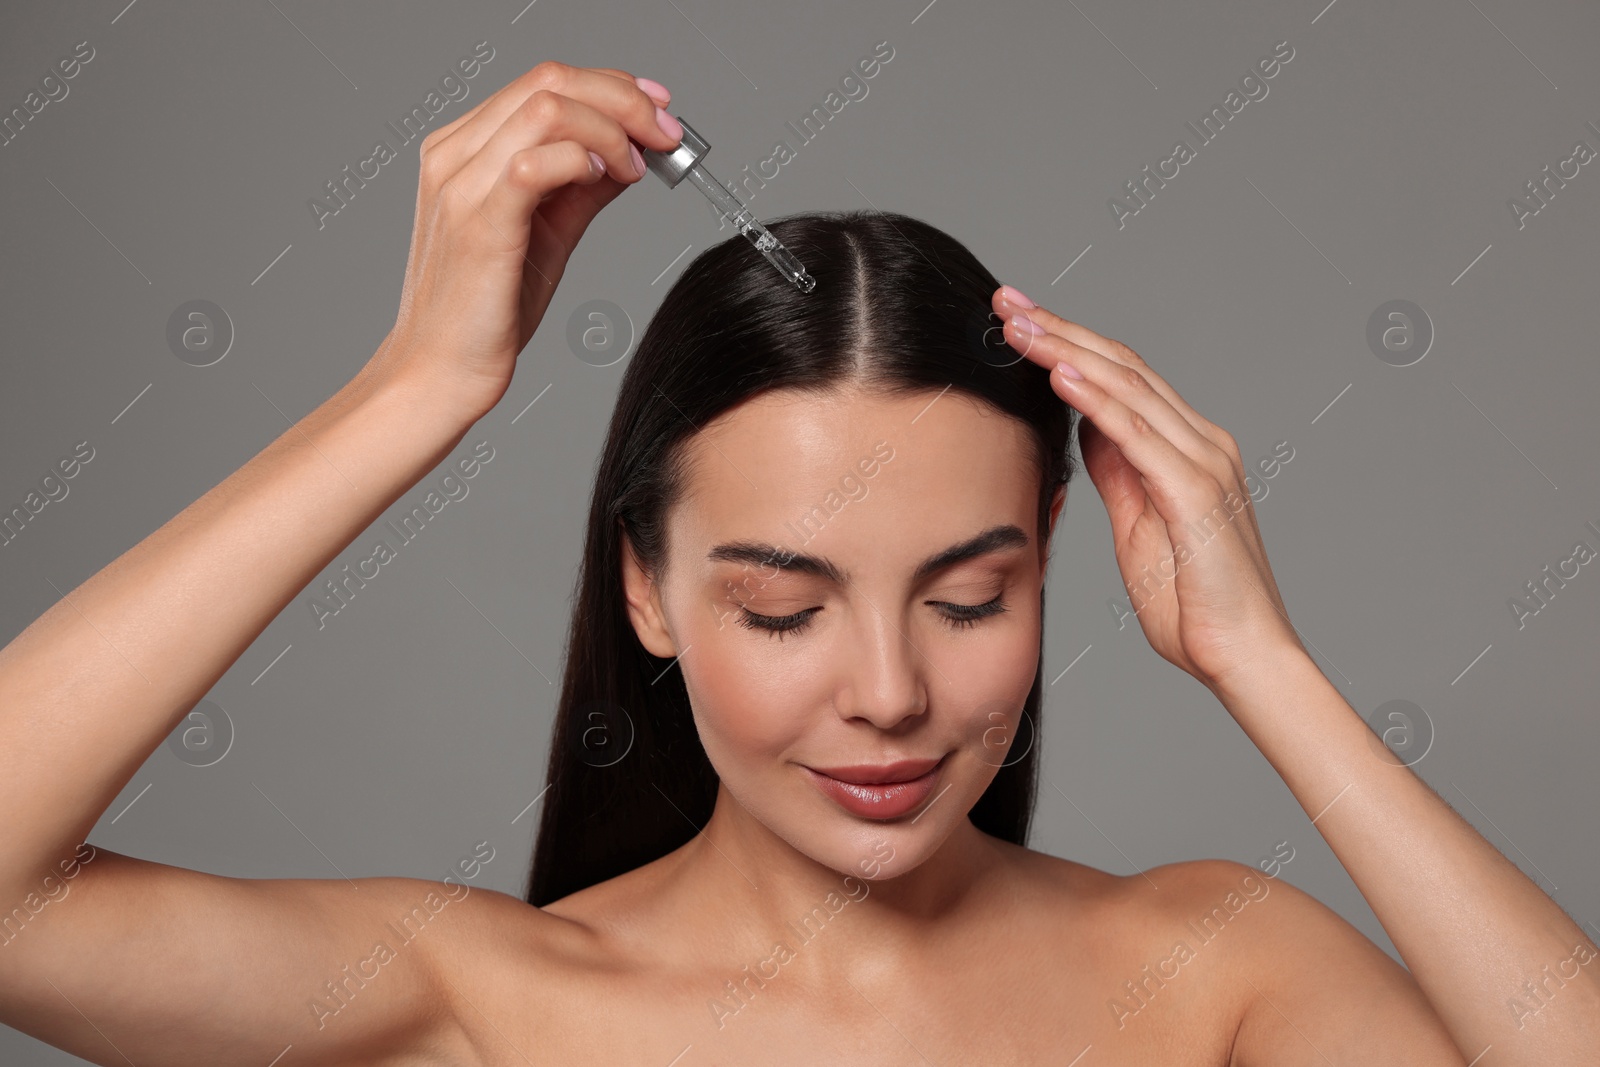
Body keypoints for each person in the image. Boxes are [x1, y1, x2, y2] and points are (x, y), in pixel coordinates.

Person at [0, 60, 1592, 1067]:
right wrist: (413, 389)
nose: (891, 695)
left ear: (1054, 559)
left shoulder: (1213, 976)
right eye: (781, 606)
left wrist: (1270, 669)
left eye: (971, 598)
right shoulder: (489, 1006)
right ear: (649, 590)